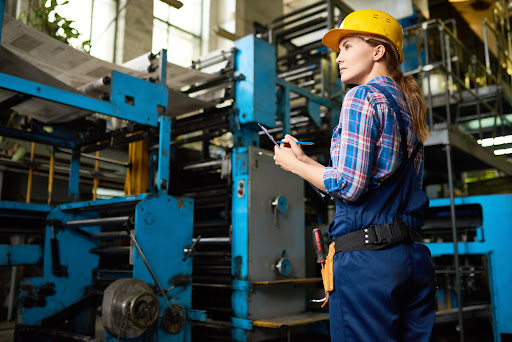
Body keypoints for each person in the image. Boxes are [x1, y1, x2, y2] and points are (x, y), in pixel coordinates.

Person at [273, 9, 436, 342]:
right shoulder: (407, 106)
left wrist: (292, 166)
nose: (338, 58)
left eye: (347, 46)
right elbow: (372, 178)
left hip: (368, 264)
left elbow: (349, 185)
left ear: (378, 52)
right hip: (412, 260)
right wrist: (306, 160)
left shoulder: (361, 97)